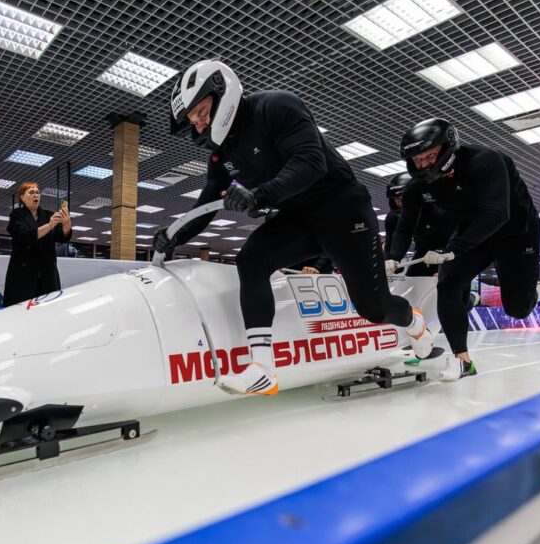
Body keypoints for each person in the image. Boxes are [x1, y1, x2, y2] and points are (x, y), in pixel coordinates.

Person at [159, 60, 435, 396]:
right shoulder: (220, 154)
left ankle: (415, 324)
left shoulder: (276, 106)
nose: (200, 125)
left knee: (374, 308)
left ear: (222, 93)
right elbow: (207, 203)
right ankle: (262, 368)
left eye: (202, 112)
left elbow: (310, 162)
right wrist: (173, 236)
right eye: (193, 121)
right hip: (298, 218)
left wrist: (259, 194)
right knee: (252, 260)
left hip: (344, 212)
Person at [388, 118, 540, 381]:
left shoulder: (486, 161)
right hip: (473, 232)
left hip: (515, 233)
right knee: (447, 282)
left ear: (448, 148)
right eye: (417, 159)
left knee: (517, 310)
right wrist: (392, 258)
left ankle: (532, 290)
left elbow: (496, 213)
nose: (423, 164)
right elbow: (404, 227)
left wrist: (454, 249)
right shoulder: (417, 186)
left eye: (430, 156)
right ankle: (463, 360)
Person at [2, 183, 72, 306]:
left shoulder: (48, 215)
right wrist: (49, 226)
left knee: (48, 310)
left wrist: (67, 223)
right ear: (22, 197)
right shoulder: (16, 215)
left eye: (37, 192)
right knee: (21, 311)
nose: (36, 195)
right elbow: (24, 237)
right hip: (23, 275)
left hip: (47, 274)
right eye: (31, 192)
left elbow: (62, 237)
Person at [383, 172, 454, 276]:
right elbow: (391, 244)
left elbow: (457, 233)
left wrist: (445, 254)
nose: (400, 203)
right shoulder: (393, 218)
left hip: (448, 249)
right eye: (396, 199)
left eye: (403, 199)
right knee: (412, 280)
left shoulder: (439, 210)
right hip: (422, 250)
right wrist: (391, 261)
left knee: (448, 282)